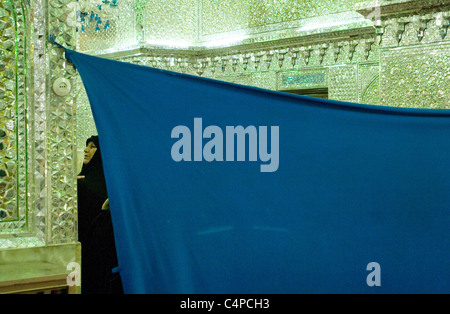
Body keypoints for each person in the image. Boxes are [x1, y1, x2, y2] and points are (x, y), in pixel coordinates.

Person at [77, 135, 123, 294]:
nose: (86, 150)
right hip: (77, 254)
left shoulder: (111, 186)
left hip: (98, 258)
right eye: (86, 146)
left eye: (92, 146)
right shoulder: (80, 179)